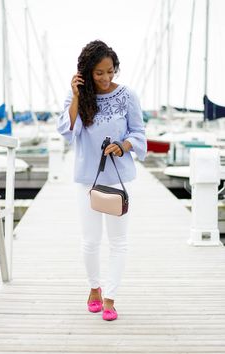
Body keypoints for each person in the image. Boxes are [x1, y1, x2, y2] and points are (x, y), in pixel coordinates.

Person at [57, 40, 146, 321]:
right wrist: (75, 96)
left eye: (111, 71)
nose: (106, 78)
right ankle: (94, 288)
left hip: (120, 179)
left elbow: (139, 132)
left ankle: (110, 298)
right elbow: (67, 131)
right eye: (99, 73)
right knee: (90, 241)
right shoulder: (77, 98)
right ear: (86, 73)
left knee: (118, 241)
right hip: (88, 180)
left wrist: (124, 146)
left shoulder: (128, 96)